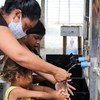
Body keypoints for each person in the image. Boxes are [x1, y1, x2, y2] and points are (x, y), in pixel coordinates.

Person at [0, 0, 71, 83]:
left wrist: (54, 79)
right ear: (17, 14)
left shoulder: (9, 30)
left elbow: (28, 56)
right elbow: (21, 56)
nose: (24, 33)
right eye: (26, 26)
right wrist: (56, 71)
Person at [19, 21, 76, 96]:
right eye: (36, 38)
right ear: (24, 34)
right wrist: (56, 73)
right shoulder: (18, 51)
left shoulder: (31, 53)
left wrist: (56, 80)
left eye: (40, 39)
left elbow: (35, 70)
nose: (38, 42)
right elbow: (32, 65)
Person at [0, 58, 70, 100]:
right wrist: (55, 97)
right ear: (18, 76)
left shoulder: (26, 87)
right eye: (30, 74)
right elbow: (40, 95)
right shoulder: (15, 91)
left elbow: (43, 89)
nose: (32, 77)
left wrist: (57, 93)